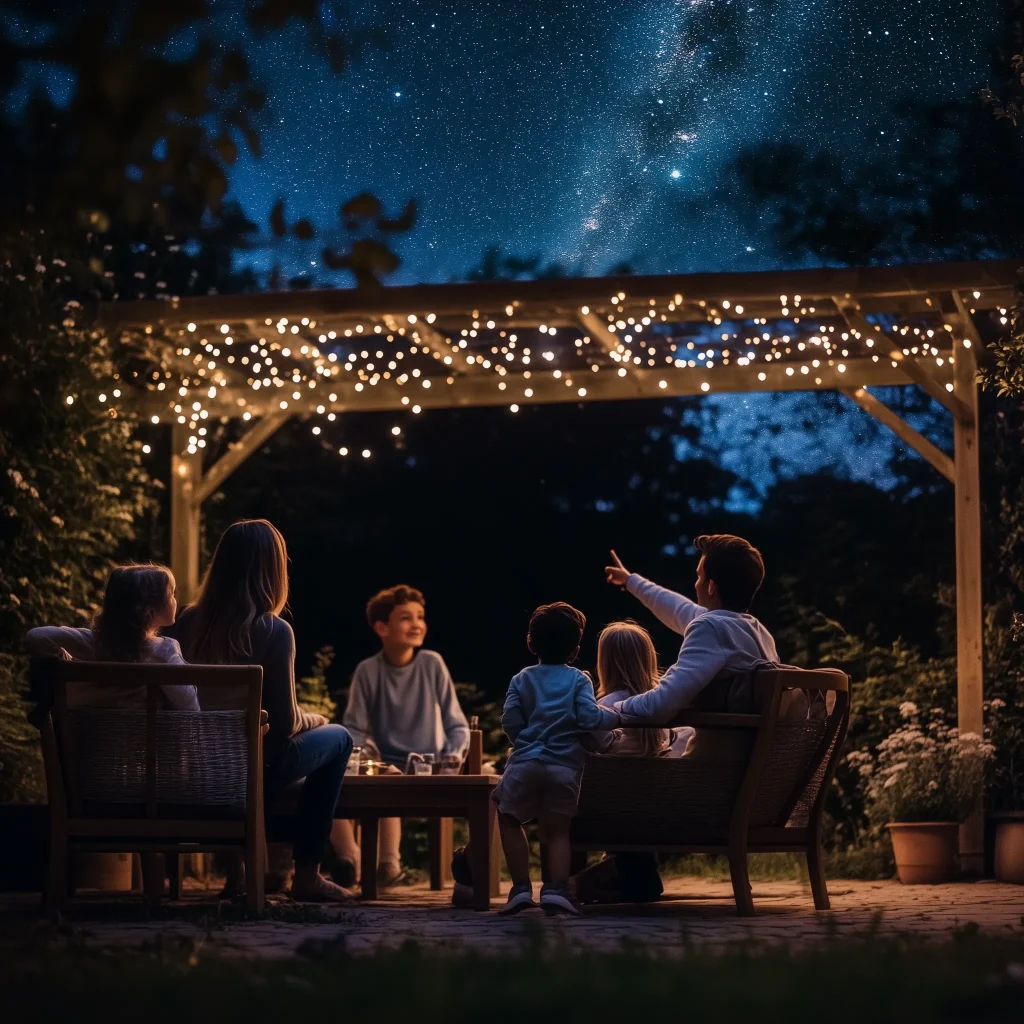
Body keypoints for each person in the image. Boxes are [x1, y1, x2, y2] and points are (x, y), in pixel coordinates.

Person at [167, 519, 354, 903]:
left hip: (197, 767)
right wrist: (315, 719)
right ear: (272, 570)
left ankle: (236, 877)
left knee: (230, 742)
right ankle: (308, 874)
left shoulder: (185, 622)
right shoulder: (273, 630)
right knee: (339, 738)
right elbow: (284, 724)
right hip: (254, 770)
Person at [335, 585, 469, 888]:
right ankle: (352, 859)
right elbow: (355, 729)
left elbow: (457, 725)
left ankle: (388, 866)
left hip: (428, 768)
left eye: (420, 617)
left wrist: (452, 757)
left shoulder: (432, 663)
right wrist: (371, 758)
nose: (417, 624)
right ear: (382, 627)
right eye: (406, 618)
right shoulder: (367, 671)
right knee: (330, 779)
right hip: (385, 770)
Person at [493, 602, 619, 916]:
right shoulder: (579, 680)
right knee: (558, 830)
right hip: (564, 767)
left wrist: (523, 740)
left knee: (508, 816)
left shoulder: (521, 679)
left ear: (530, 642)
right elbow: (590, 718)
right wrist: (617, 719)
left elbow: (509, 719)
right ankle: (556, 890)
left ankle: (521, 887)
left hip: (525, 763)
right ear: (575, 651)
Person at [604, 535, 778, 724]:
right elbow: (679, 610)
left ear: (711, 586)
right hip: (751, 750)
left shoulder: (711, 628)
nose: (695, 584)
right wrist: (630, 581)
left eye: (699, 576)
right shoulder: (757, 632)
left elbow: (659, 707)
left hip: (714, 752)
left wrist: (613, 705)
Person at [26, 564, 198, 710]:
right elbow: (190, 706)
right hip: (146, 747)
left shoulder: (94, 643)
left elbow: (36, 636)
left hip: (89, 745)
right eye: (172, 594)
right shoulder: (164, 650)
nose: (176, 599)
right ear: (149, 610)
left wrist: (66, 662)